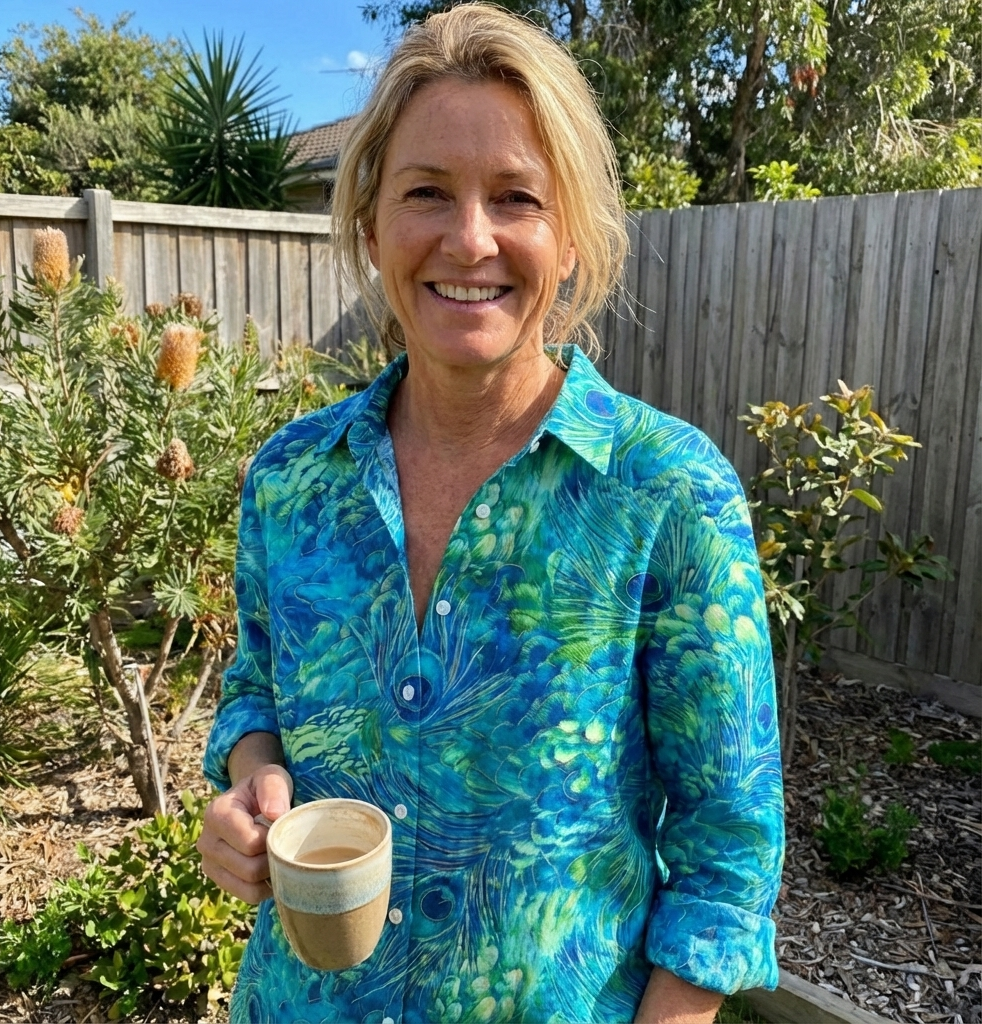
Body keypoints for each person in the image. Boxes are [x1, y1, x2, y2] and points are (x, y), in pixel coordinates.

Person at [197, 5, 784, 1023]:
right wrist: (252, 787)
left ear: (571, 236)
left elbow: (726, 855)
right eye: (427, 192)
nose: (470, 239)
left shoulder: (666, 494)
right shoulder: (291, 480)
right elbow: (255, 690)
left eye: (516, 196)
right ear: (372, 224)